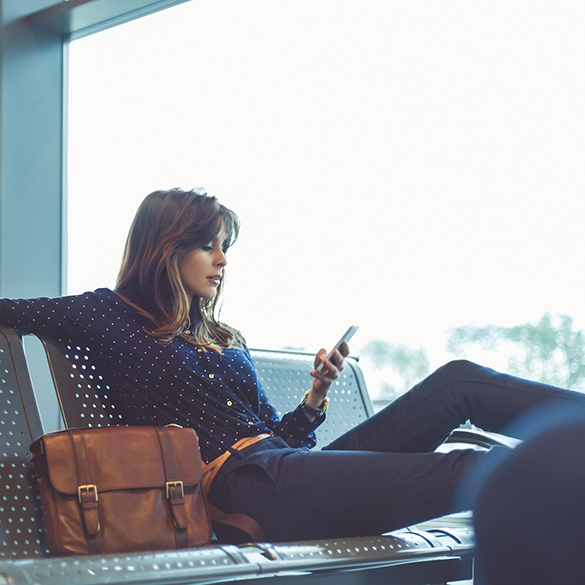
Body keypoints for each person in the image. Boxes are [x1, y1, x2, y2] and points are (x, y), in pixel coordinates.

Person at [1, 187, 585, 543]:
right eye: (210, 246)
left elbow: (275, 436)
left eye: (225, 247)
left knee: (457, 381)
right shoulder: (106, 314)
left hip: (286, 468)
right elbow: (11, 308)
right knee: (468, 469)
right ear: (166, 247)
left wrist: (313, 401)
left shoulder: (222, 336)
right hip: (236, 491)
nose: (223, 261)